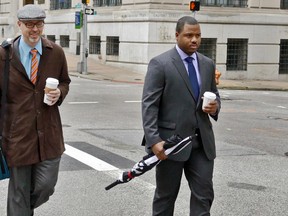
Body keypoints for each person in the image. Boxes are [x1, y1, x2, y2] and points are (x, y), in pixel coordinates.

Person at [141, 16, 221, 216]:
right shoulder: (160, 63)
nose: (194, 40)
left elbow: (215, 96)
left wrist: (215, 107)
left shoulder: (207, 64)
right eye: (189, 35)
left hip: (201, 144)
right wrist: (154, 140)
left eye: (198, 35)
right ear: (177, 36)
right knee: (165, 197)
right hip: (171, 144)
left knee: (204, 195)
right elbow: (149, 104)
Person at [0, 4, 71, 216]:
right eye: (29, 25)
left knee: (46, 185)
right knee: (18, 190)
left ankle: (22, 209)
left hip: (48, 133)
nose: (34, 30)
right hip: (17, 135)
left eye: (38, 24)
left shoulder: (55, 52)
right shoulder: (4, 55)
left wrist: (60, 92)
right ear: (19, 24)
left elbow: (65, 81)